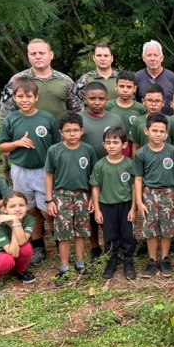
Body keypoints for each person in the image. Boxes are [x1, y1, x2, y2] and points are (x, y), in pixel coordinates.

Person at [0, 78, 60, 265]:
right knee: (30, 210)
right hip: (21, 171)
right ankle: (38, 245)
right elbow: (2, 146)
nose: (24, 100)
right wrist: (17, 143)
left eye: (29, 96)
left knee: (48, 211)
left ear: (36, 97)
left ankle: (59, 242)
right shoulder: (11, 119)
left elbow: (57, 144)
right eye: (20, 96)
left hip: (44, 171)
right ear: (14, 98)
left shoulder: (47, 118)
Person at [44, 111, 98, 286]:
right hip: (62, 196)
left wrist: (92, 198)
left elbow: (93, 177)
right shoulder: (54, 150)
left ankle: (80, 264)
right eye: (68, 131)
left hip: (82, 195)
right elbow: (49, 176)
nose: (72, 134)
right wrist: (49, 200)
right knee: (64, 233)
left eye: (75, 130)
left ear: (82, 131)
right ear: (61, 132)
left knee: (81, 231)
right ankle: (64, 267)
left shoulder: (87, 150)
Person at [133, 113, 174, 278]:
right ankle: (152, 260)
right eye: (154, 130)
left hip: (168, 194)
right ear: (146, 131)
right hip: (149, 194)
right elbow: (138, 179)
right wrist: (139, 202)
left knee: (167, 227)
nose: (158, 134)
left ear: (166, 133)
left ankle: (164, 258)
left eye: (162, 131)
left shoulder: (173, 151)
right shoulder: (141, 153)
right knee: (150, 228)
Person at [80, 82, 126, 262]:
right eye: (92, 98)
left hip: (112, 171)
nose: (97, 102)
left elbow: (124, 144)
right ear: (85, 99)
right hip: (87, 171)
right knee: (91, 210)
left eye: (101, 98)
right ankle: (95, 247)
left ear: (107, 99)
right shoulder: (79, 119)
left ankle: (115, 245)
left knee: (111, 210)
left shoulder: (115, 118)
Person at [90, 126, 137, 281]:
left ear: (124, 145)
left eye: (115, 142)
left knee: (127, 234)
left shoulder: (129, 164)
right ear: (103, 145)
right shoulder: (100, 165)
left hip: (125, 205)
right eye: (108, 142)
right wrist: (97, 210)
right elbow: (95, 188)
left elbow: (134, 187)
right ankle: (111, 260)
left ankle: (128, 260)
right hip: (106, 205)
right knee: (109, 234)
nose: (111, 146)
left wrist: (133, 208)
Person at [0, 38, 82, 124]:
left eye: (42, 53)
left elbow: (78, 110)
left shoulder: (65, 80)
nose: (38, 57)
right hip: (27, 131)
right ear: (28, 56)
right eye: (33, 54)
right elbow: (6, 111)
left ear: (51, 55)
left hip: (60, 131)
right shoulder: (17, 80)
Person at [129, 85, 174, 157]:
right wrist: (136, 162)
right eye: (150, 100)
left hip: (166, 161)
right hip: (145, 160)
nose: (153, 104)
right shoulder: (137, 122)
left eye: (157, 101)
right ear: (143, 101)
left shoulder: (171, 121)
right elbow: (135, 147)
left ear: (163, 103)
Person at [134, 41, 174, 116]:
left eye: (155, 55)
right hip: (143, 121)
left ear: (162, 58)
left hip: (168, 121)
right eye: (149, 55)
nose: (152, 59)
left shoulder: (173, 78)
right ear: (143, 58)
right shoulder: (137, 77)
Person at [106, 71, 146, 154]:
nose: (125, 90)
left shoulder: (140, 108)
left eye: (129, 87)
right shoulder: (108, 106)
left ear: (135, 88)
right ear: (116, 87)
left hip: (134, 149)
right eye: (121, 86)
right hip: (113, 149)